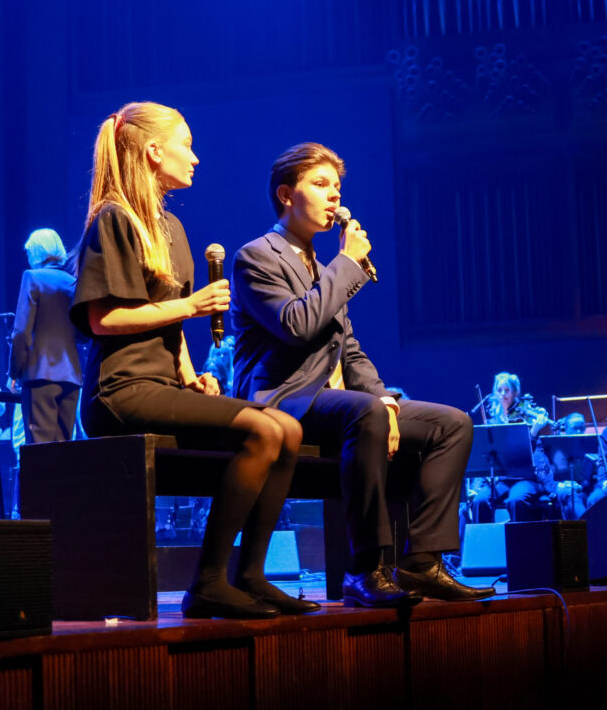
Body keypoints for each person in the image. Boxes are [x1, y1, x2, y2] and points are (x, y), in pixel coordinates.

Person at [70, 101, 314, 619]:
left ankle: (250, 575)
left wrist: (190, 373)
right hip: (120, 390)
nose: (195, 157)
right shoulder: (114, 220)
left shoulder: (172, 229)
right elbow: (102, 320)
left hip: (163, 384)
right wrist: (190, 304)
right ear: (155, 152)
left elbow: (170, 325)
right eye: (186, 144)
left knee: (288, 430)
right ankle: (207, 582)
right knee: (264, 431)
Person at [231, 141, 493, 604]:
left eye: (337, 186)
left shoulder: (321, 264)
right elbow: (297, 325)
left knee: (451, 424)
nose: (334, 196)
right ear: (286, 195)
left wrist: (386, 398)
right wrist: (347, 263)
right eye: (320, 184)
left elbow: (348, 349)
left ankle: (422, 562)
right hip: (283, 400)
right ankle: (365, 568)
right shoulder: (257, 256)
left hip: (346, 405)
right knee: (365, 412)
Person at [7, 228, 83, 443]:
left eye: (29, 252)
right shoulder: (73, 282)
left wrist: (15, 371)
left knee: (40, 448)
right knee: (64, 448)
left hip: (39, 373)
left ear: (37, 252)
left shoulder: (32, 277)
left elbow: (21, 332)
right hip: (72, 376)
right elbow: (81, 333)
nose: (28, 257)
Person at [471, 371, 556, 523]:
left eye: (507, 390)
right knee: (480, 501)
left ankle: (520, 544)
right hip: (502, 479)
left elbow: (532, 451)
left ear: (515, 392)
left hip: (526, 477)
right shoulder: (493, 422)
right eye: (499, 390)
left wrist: (534, 431)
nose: (503, 394)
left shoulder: (526, 418)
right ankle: (484, 544)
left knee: (515, 501)